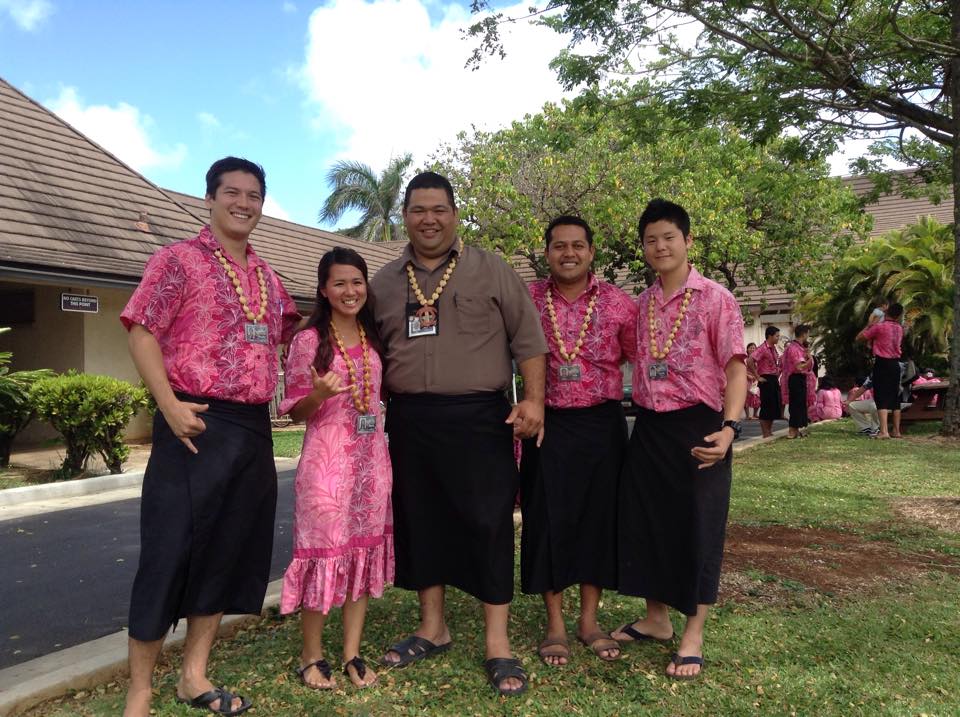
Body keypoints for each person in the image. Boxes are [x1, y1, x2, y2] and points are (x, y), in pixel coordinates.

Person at [119, 157, 301, 717]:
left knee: (226, 551)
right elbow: (143, 329)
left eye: (253, 195)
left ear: (262, 205)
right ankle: (141, 690)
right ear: (210, 198)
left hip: (251, 429)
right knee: (169, 551)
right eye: (232, 193)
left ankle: (193, 676)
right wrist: (167, 405)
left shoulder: (269, 278)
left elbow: (289, 336)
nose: (243, 203)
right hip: (193, 421)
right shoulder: (175, 260)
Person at [370, 172, 547, 696]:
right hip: (410, 419)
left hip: (479, 418)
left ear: (455, 213)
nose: (429, 219)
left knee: (488, 521)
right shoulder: (382, 281)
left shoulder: (491, 270)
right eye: (419, 209)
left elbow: (529, 340)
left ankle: (498, 642)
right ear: (405, 215)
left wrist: (533, 398)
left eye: (439, 209)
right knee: (421, 521)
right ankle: (433, 627)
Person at [613, 199, 747, 681]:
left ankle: (693, 632)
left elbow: (735, 369)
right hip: (649, 425)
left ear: (687, 241)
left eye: (669, 237)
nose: (660, 246)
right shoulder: (643, 302)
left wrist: (729, 429)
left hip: (700, 424)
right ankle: (656, 619)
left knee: (699, 525)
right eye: (651, 240)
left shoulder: (716, 298)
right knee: (647, 521)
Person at [520, 216, 637, 667]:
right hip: (547, 424)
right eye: (559, 246)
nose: (569, 253)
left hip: (601, 424)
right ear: (547, 251)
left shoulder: (618, 303)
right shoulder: (527, 300)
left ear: (591, 252)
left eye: (578, 246)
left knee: (597, 520)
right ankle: (554, 626)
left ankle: (589, 622)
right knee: (547, 518)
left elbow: (636, 357)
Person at [278, 248, 394, 690]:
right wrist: (319, 394)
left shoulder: (372, 334)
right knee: (322, 556)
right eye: (340, 283)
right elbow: (294, 413)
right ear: (324, 289)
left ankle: (351, 653)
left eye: (357, 282)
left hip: (370, 463)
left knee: (361, 554)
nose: (350, 291)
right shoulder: (309, 341)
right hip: (326, 467)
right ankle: (311, 655)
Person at [857, 302, 905, 438]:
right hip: (896, 364)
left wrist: (870, 324)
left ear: (887, 311)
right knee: (895, 397)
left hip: (882, 363)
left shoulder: (880, 327)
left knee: (881, 396)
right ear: (899, 315)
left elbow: (860, 338)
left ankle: (884, 431)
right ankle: (896, 431)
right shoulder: (899, 328)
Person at [780, 325, 814, 439]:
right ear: (804, 334)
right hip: (795, 378)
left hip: (800, 378)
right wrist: (809, 359)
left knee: (801, 404)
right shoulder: (794, 348)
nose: (808, 336)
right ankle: (792, 430)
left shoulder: (800, 347)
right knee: (795, 405)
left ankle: (798, 429)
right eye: (807, 333)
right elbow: (799, 366)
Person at [747, 326, 781, 437]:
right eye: (777, 336)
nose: (778, 338)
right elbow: (750, 360)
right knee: (766, 406)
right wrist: (757, 376)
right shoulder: (762, 348)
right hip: (766, 379)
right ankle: (765, 432)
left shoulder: (773, 348)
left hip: (774, 379)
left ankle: (769, 431)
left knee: (773, 406)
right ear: (770, 336)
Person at [743, 343, 761, 419]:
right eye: (750, 348)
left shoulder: (758, 360)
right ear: (747, 349)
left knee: (757, 396)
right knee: (746, 397)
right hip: (746, 379)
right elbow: (741, 370)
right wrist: (747, 375)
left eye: (754, 348)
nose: (752, 349)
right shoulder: (744, 359)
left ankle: (755, 414)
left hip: (755, 380)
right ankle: (747, 416)